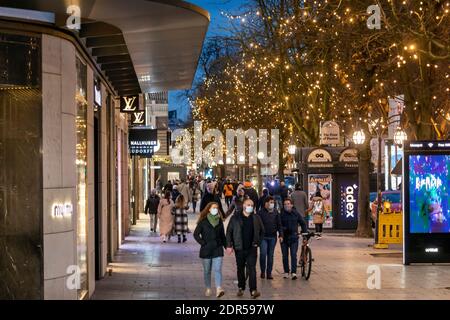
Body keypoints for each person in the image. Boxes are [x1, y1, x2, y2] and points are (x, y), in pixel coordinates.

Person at [226, 198, 265, 299]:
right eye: (248, 205)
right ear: (243, 205)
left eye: (252, 205)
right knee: (240, 268)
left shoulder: (256, 218)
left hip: (252, 248)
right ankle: (241, 287)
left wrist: (258, 243)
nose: (250, 207)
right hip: (239, 248)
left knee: (252, 269)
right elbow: (229, 232)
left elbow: (262, 231)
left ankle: (253, 290)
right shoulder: (235, 218)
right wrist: (229, 245)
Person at [194, 202, 227, 298]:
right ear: (209, 209)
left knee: (217, 269)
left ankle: (218, 289)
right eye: (213, 208)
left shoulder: (219, 221)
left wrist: (227, 247)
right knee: (207, 271)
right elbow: (196, 234)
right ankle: (208, 288)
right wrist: (203, 243)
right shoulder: (203, 221)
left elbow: (223, 236)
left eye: (217, 208)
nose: (215, 209)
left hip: (218, 248)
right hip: (206, 250)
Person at [280, 198, 308, 280]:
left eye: (288, 204)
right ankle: (286, 272)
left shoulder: (296, 213)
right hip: (284, 238)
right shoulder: (281, 214)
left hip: (294, 237)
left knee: (293, 255)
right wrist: (281, 233)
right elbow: (279, 225)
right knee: (285, 256)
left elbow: (303, 223)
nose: (287, 205)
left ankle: (293, 272)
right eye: (285, 204)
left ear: (292, 205)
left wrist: (304, 233)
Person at [257, 196, 283, 280]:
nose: (272, 204)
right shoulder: (260, 213)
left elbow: (279, 224)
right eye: (270, 202)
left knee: (270, 255)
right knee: (263, 254)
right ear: (266, 203)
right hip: (263, 237)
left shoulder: (276, 212)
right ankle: (262, 271)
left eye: (273, 202)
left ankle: (269, 273)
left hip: (272, 237)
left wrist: (281, 235)